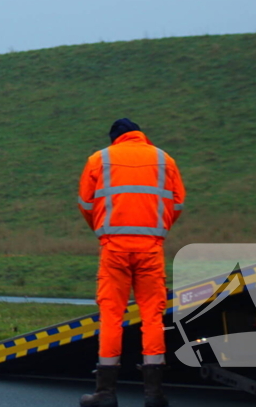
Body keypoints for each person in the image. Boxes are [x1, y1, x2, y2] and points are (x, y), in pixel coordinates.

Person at [77, 119, 185, 407]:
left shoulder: (99, 159)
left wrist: (104, 232)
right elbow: (177, 203)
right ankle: (154, 394)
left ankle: (105, 393)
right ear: (139, 135)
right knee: (152, 316)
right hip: (151, 248)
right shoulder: (164, 160)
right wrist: (156, 230)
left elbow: (86, 205)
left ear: (115, 138)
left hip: (114, 248)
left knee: (112, 315)